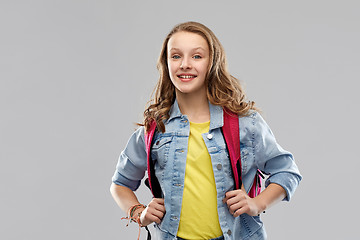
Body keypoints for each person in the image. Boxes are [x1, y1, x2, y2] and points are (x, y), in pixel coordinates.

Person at [110, 21, 302, 240]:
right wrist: (138, 213)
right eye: (176, 56)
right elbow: (120, 184)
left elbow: (287, 171)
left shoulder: (245, 124)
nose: (185, 64)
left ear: (212, 63)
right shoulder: (156, 129)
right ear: (166, 64)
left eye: (197, 56)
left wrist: (257, 203)